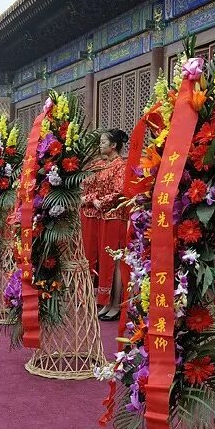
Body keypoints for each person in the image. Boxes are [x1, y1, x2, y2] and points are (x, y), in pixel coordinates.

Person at [80, 129, 129, 320]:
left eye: (103, 142)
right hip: (101, 216)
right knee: (104, 260)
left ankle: (116, 304)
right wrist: (93, 199)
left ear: (113, 145)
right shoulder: (100, 165)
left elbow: (120, 191)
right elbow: (86, 186)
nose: (100, 145)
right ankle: (107, 302)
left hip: (115, 216)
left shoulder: (120, 166)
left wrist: (100, 200)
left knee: (115, 261)